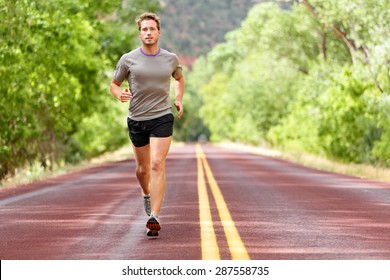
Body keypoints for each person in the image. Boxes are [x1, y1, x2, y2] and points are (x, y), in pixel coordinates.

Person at [109, 12, 185, 237]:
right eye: (144, 29)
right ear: (140, 33)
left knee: (157, 163)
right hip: (136, 119)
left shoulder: (170, 58)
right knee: (142, 170)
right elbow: (114, 84)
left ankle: (155, 215)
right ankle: (146, 193)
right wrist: (118, 95)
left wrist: (178, 99)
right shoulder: (128, 59)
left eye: (152, 29)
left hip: (161, 116)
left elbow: (179, 79)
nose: (148, 33)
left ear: (159, 32)